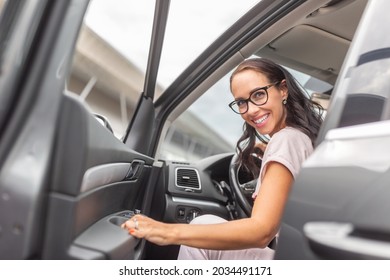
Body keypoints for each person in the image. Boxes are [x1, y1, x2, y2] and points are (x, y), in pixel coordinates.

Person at [121, 57, 323, 260]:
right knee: (205, 221)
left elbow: (261, 230)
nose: (251, 110)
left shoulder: (286, 140)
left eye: (259, 94)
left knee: (201, 224)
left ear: (283, 89)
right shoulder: (300, 138)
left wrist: (166, 232)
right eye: (242, 102)